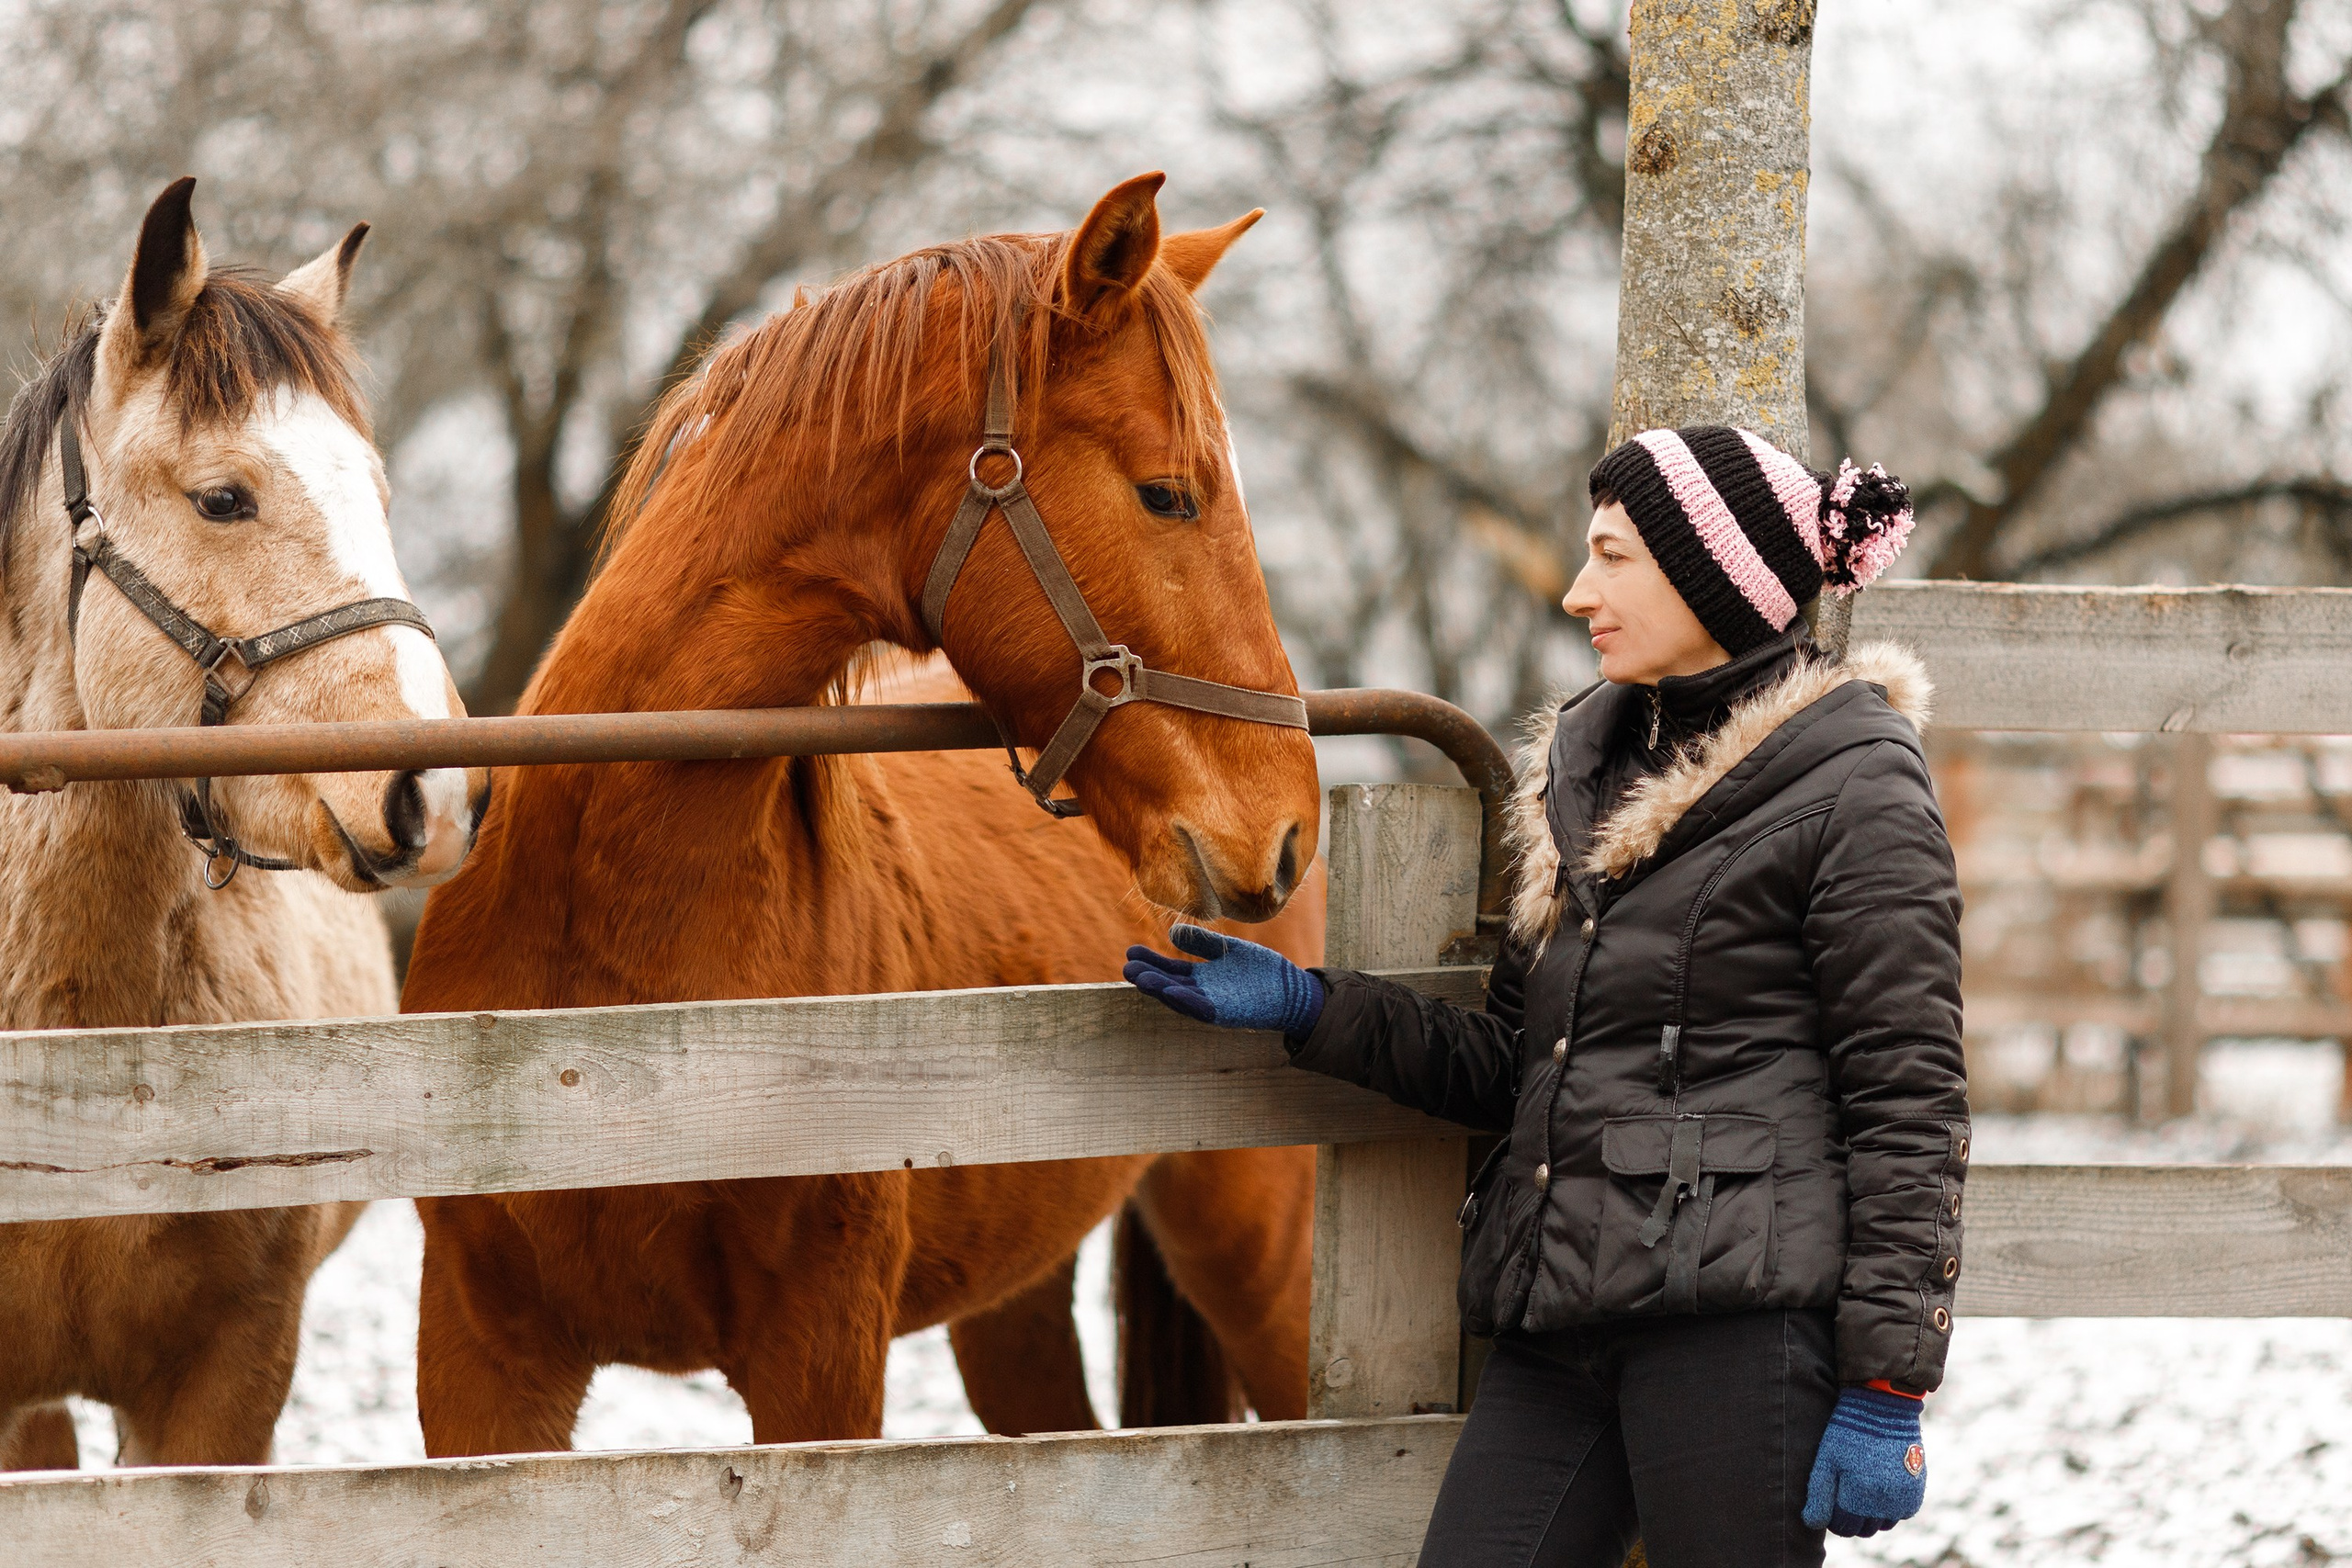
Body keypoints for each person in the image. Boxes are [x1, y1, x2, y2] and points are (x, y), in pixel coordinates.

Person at [1126, 426, 1970, 1567]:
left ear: (1711, 575)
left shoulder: (1856, 784)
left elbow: (1909, 1105)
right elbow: (1520, 1064)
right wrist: (1309, 1008)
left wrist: (1886, 1383)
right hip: (1562, 1312)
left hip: (1736, 1328)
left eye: (1613, 557)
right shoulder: (1583, 765)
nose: (1579, 592)